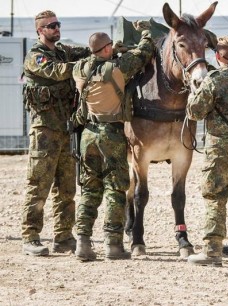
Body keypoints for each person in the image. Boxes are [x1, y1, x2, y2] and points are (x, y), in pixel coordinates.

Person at [72, 30, 154, 261]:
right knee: (115, 190)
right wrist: (146, 34)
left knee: (89, 189)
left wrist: (111, 50)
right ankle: (113, 244)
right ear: (107, 49)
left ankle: (83, 242)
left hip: (87, 133)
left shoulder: (79, 69)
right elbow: (142, 54)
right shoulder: (117, 69)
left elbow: (94, 63)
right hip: (111, 134)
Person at [22, 10, 91, 256]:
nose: (56, 29)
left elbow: (90, 51)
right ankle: (30, 237)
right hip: (44, 131)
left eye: (57, 24)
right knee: (39, 185)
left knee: (66, 189)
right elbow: (58, 71)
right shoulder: (35, 57)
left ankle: (63, 237)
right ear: (40, 30)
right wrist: (84, 65)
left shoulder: (63, 51)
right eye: (51, 26)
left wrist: (108, 48)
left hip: (65, 130)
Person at [186, 36, 228, 267]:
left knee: (214, 198)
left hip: (218, 148)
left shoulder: (214, 80)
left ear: (217, 56)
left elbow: (195, 112)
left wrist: (193, 91)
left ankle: (212, 251)